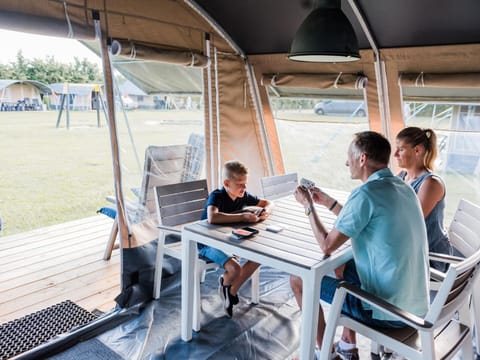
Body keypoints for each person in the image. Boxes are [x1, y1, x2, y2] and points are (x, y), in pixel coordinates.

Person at [290, 131, 430, 360]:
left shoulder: (365, 194)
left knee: (299, 279)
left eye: (350, 156)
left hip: (390, 313)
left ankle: (323, 351)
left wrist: (308, 206)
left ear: (362, 159)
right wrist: (327, 202)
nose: (347, 162)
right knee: (342, 268)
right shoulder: (402, 186)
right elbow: (361, 218)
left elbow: (327, 245)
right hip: (416, 304)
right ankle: (347, 345)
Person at [200, 160, 273, 317]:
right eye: (240, 184)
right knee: (235, 268)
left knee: (258, 257)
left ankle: (230, 290)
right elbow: (212, 218)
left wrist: (265, 211)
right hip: (207, 243)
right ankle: (226, 284)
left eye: (245, 183)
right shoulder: (217, 196)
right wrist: (243, 217)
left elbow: (268, 202)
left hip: (228, 240)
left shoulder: (243, 196)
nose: (244, 188)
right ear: (227, 183)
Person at [394, 127, 453, 271]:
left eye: (400, 149)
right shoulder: (402, 176)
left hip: (429, 258)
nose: (395, 154)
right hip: (410, 249)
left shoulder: (431, 183)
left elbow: (409, 223)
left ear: (417, 150)